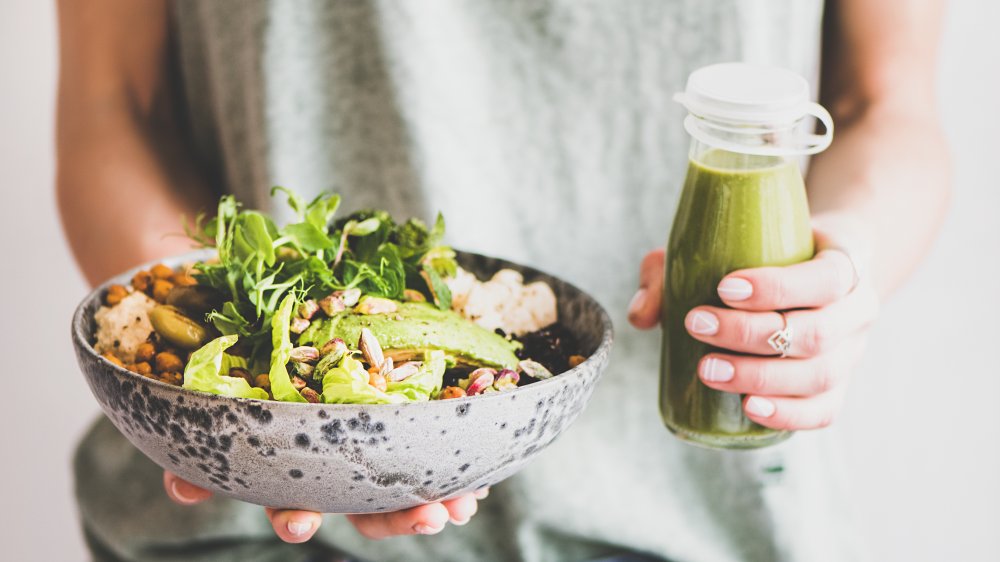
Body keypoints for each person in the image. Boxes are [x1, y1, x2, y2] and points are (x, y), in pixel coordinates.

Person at [57, 1, 950, 560]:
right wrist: (191, 360)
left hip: (697, 520)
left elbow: (884, 102)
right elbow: (113, 104)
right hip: (246, 526)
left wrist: (840, 269)